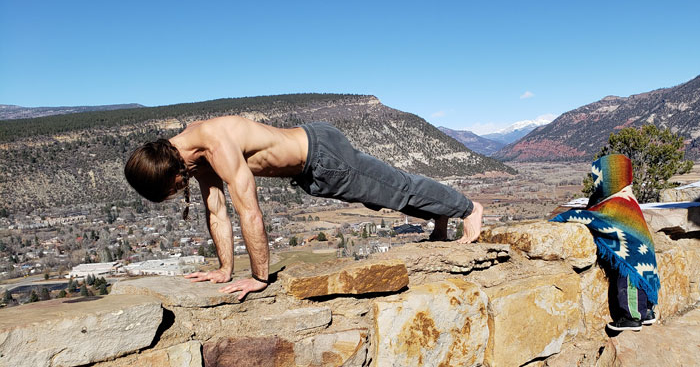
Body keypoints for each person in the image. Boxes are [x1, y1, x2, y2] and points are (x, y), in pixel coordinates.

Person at [124, 116, 484, 300]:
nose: (177, 190)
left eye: (171, 189)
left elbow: (249, 212)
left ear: (169, 171)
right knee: (379, 198)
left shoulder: (215, 144)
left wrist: (260, 278)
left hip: (322, 155)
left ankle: (467, 209)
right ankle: (440, 216)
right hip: (312, 167)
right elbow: (216, 211)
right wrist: (223, 269)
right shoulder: (192, 157)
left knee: (395, 188)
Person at [551, 154, 659, 332]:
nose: (596, 182)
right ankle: (646, 311)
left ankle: (632, 317)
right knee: (640, 282)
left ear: (611, 178)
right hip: (642, 252)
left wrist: (564, 217)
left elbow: (594, 217)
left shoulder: (615, 203)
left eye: (599, 177)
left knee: (629, 281)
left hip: (633, 255)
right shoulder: (627, 199)